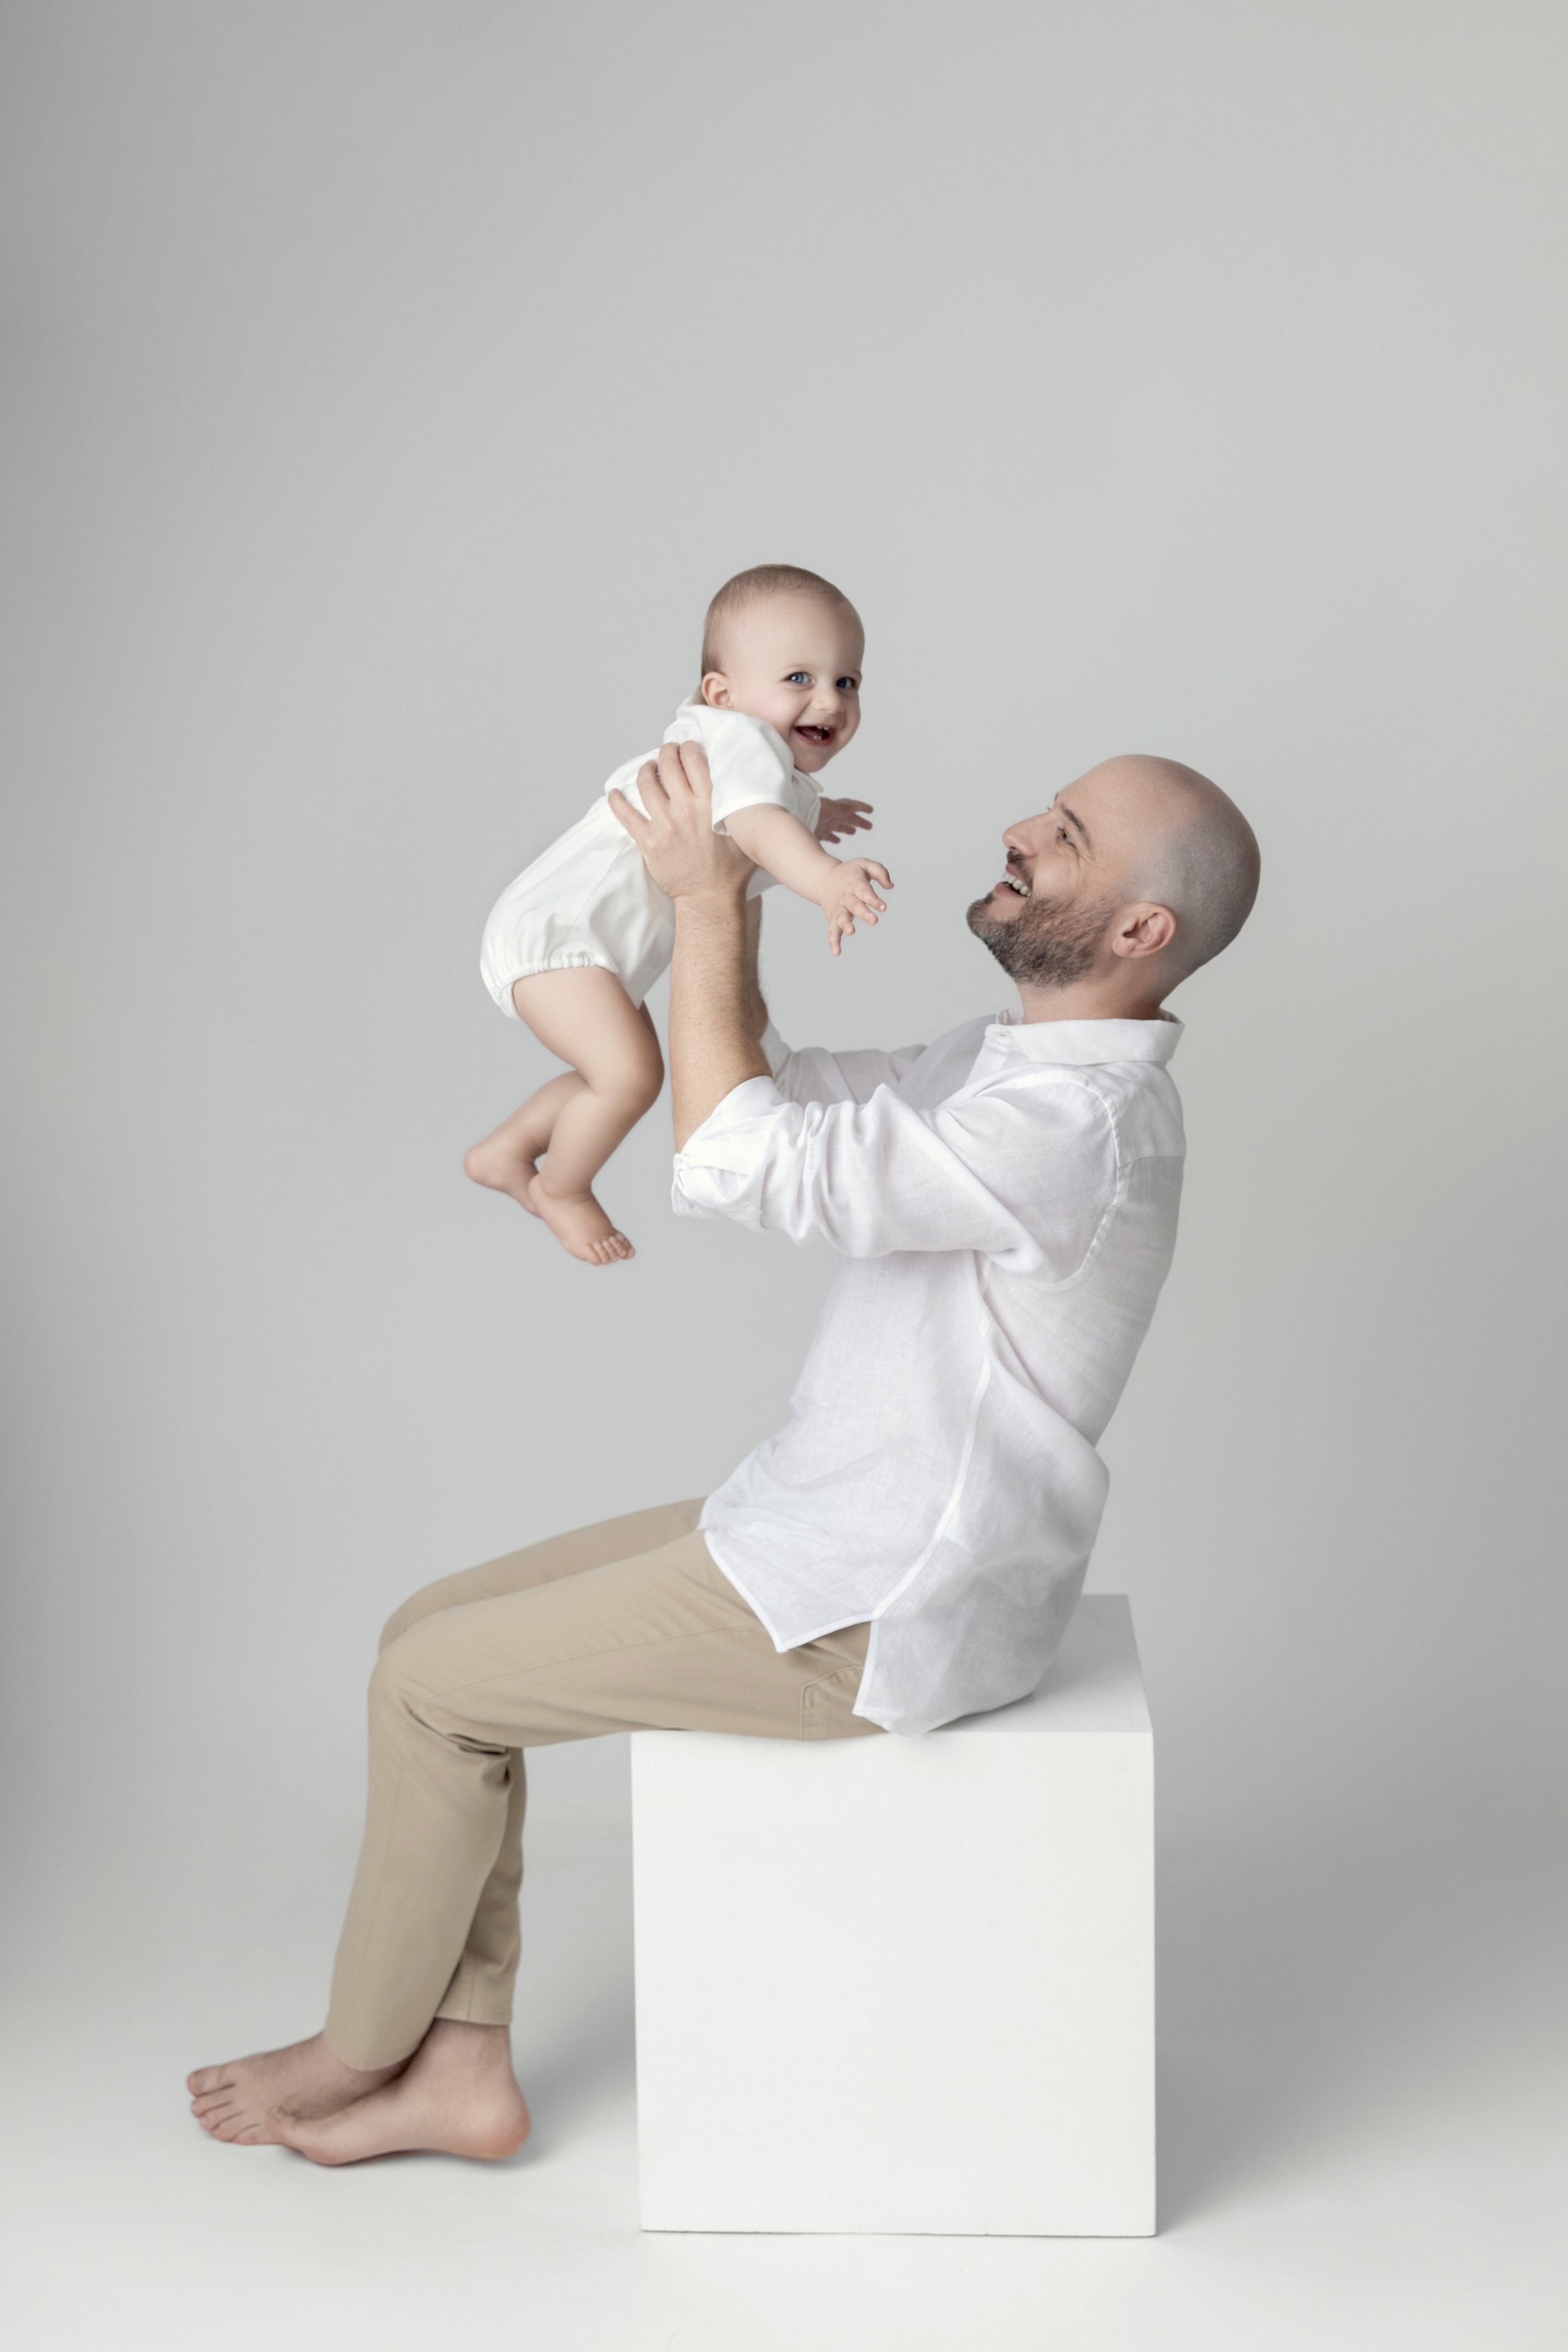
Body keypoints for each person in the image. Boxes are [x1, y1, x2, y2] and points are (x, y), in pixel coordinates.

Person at [187, 742, 1259, 2166]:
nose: (1016, 829)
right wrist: (739, 879)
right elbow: (768, 1077)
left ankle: (362, 2045)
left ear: (1138, 932)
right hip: (817, 1521)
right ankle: (459, 2064)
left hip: (876, 1596)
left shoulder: (1075, 1123)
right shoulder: (1008, 1064)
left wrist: (698, 905)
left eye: (1061, 834)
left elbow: (736, 1156)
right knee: (423, 1632)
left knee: (429, 1691)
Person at [464, 564, 888, 1264]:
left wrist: (817, 810)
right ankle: (561, 1190)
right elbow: (756, 825)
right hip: (563, 940)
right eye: (798, 679)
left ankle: (507, 1150)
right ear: (722, 693)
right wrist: (826, 880)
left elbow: (765, 808)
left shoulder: (747, 755)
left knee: (612, 1077)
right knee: (630, 1078)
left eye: (847, 681)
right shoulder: (737, 741)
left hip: (575, 944)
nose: (830, 700)